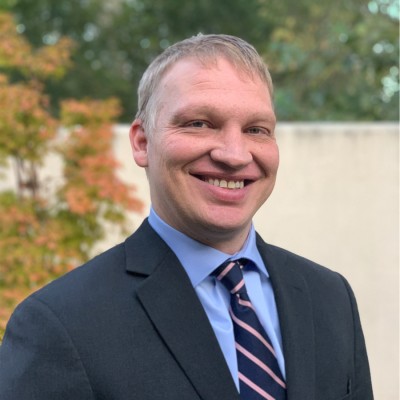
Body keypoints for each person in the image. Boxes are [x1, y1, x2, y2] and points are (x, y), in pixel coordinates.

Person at [0, 34, 373, 400]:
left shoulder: (330, 297)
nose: (234, 154)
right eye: (199, 123)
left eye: (256, 130)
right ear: (142, 142)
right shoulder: (59, 325)